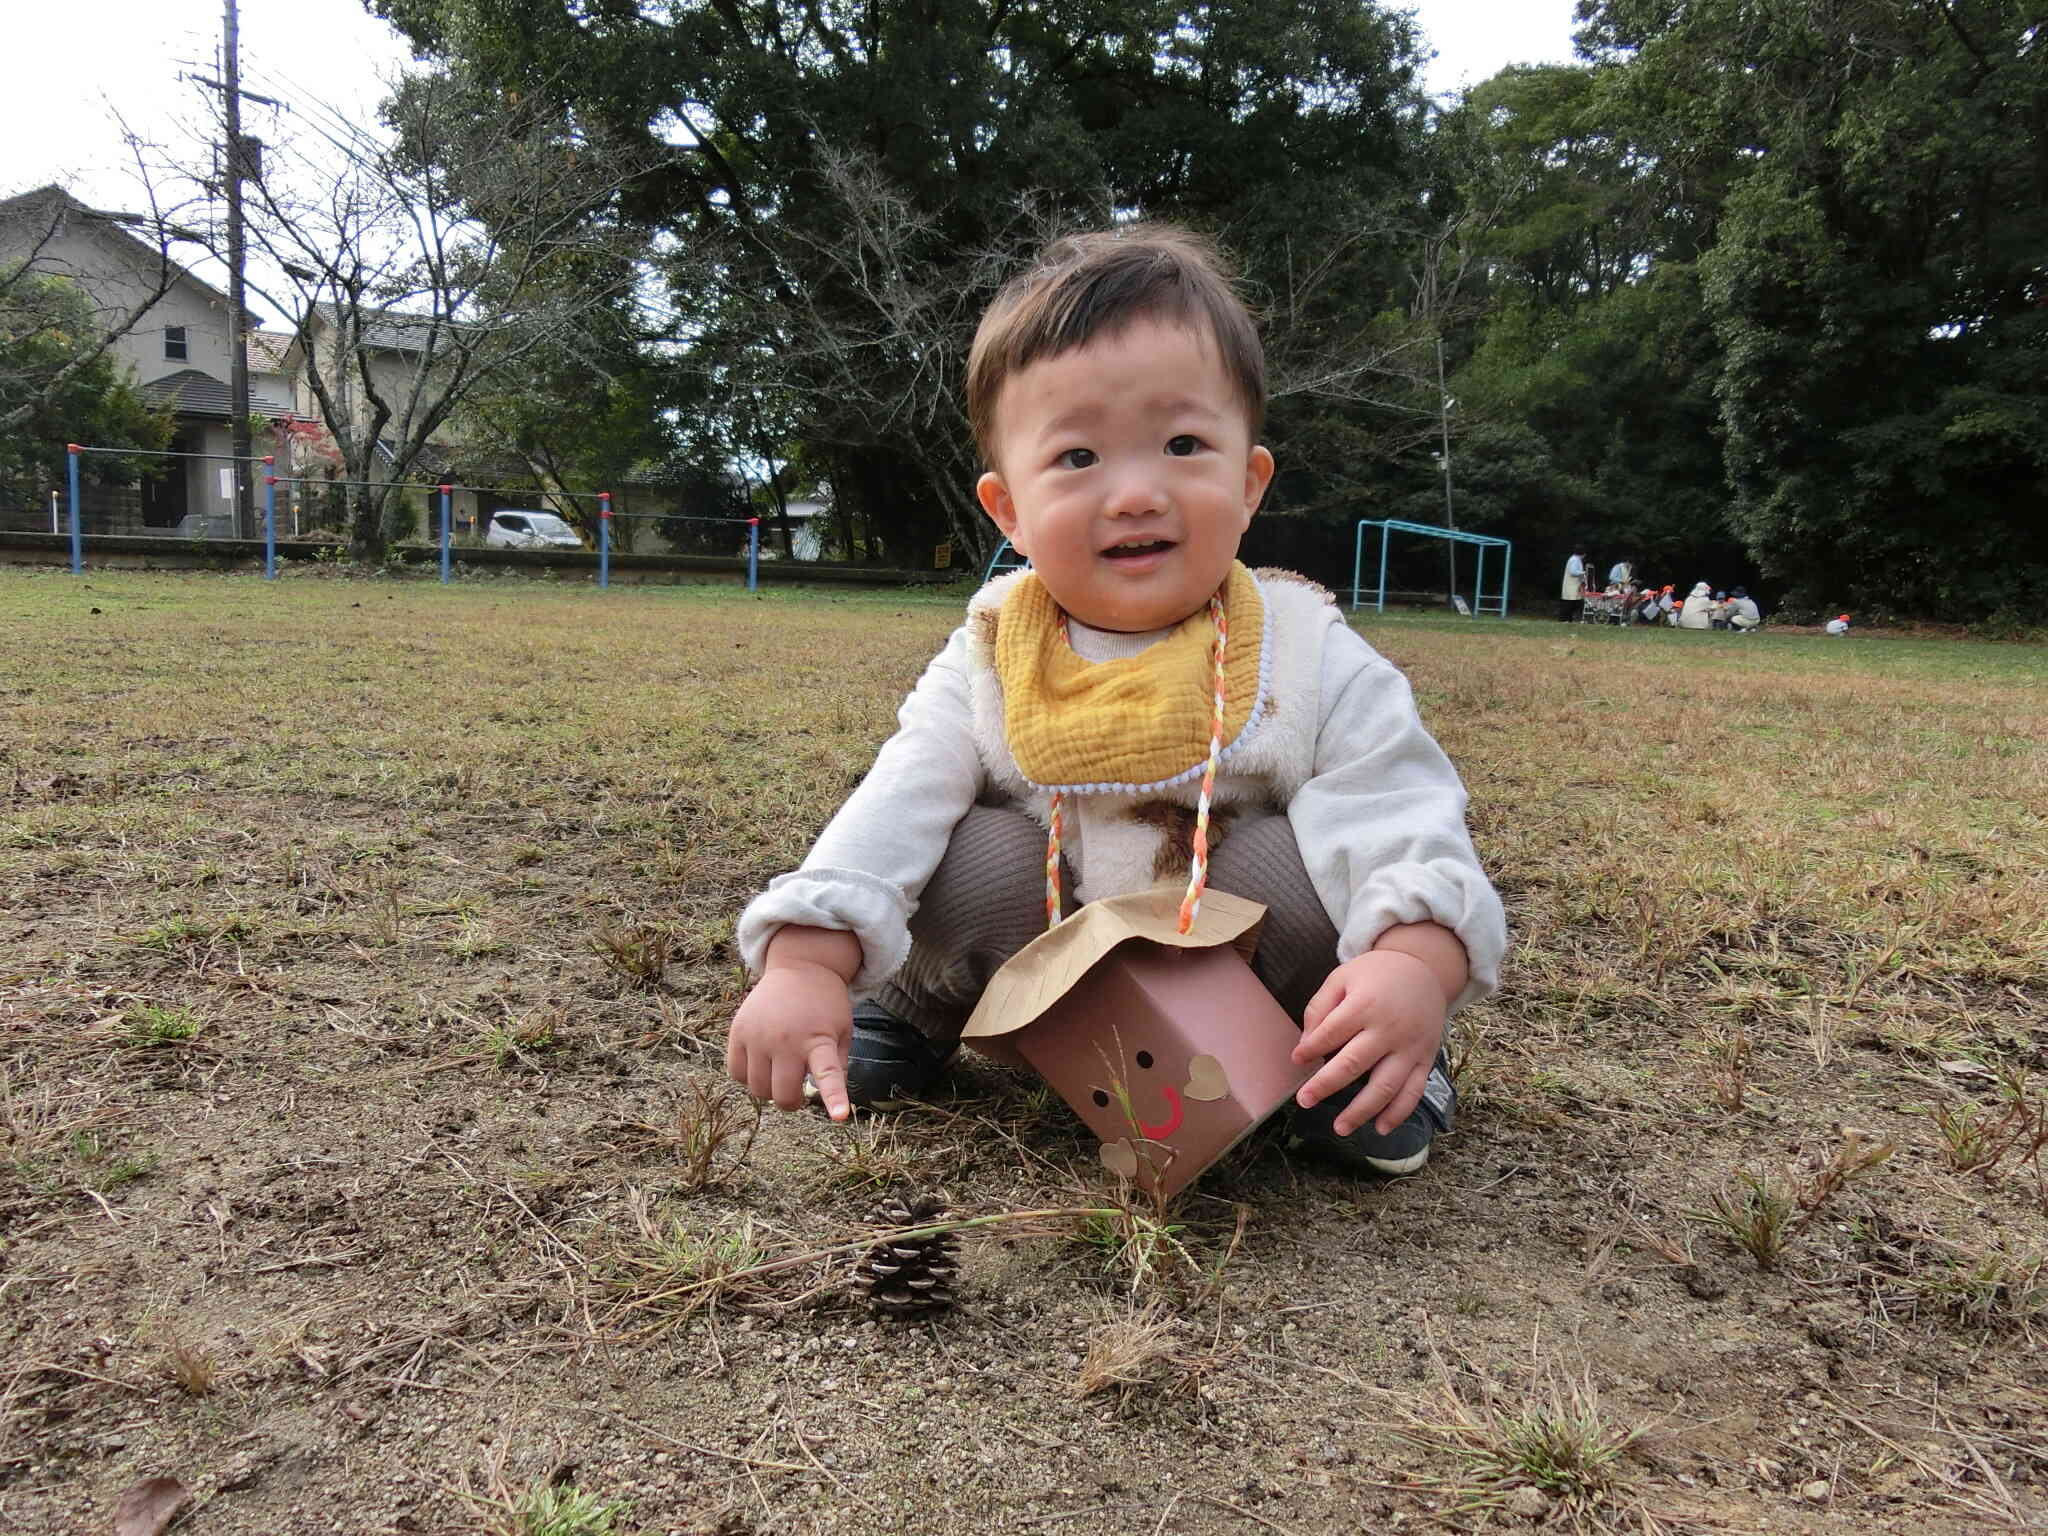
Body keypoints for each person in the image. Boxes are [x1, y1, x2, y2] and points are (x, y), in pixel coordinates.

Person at [726, 225, 1507, 1177]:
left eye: (1183, 444)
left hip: (1244, 980)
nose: (1135, 493)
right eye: (1078, 458)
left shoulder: (1304, 644)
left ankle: (1366, 1059)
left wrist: (1412, 962)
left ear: (1249, 481)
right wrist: (806, 959)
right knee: (963, 848)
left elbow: (1398, 804)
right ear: (1008, 510)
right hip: (1041, 977)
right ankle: (912, 1014)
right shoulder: (992, 646)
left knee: (1291, 863)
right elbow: (896, 799)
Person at [1559, 549, 1588, 622]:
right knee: (1570, 603)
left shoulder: (1575, 559)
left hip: (1574, 585)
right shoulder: (1575, 560)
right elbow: (1573, 572)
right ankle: (1564, 619)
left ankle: (1568, 619)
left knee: (1574, 603)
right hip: (1571, 585)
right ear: (1583, 554)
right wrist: (1584, 572)